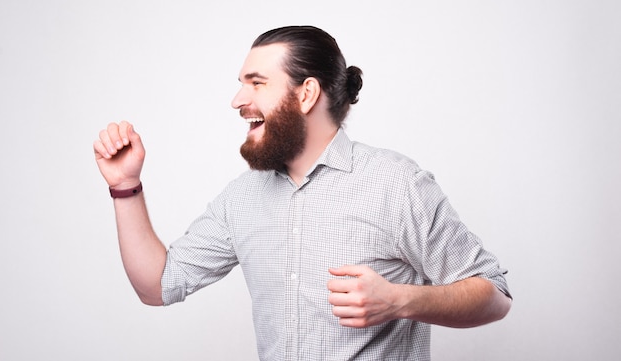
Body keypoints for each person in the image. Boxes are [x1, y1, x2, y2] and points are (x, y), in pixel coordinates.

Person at [93, 25, 511, 361]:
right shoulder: (241, 198)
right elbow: (158, 285)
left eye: (257, 83)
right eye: (242, 83)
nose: (238, 99)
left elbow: (494, 295)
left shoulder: (396, 184)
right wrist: (124, 186)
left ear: (306, 94)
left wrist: (400, 300)